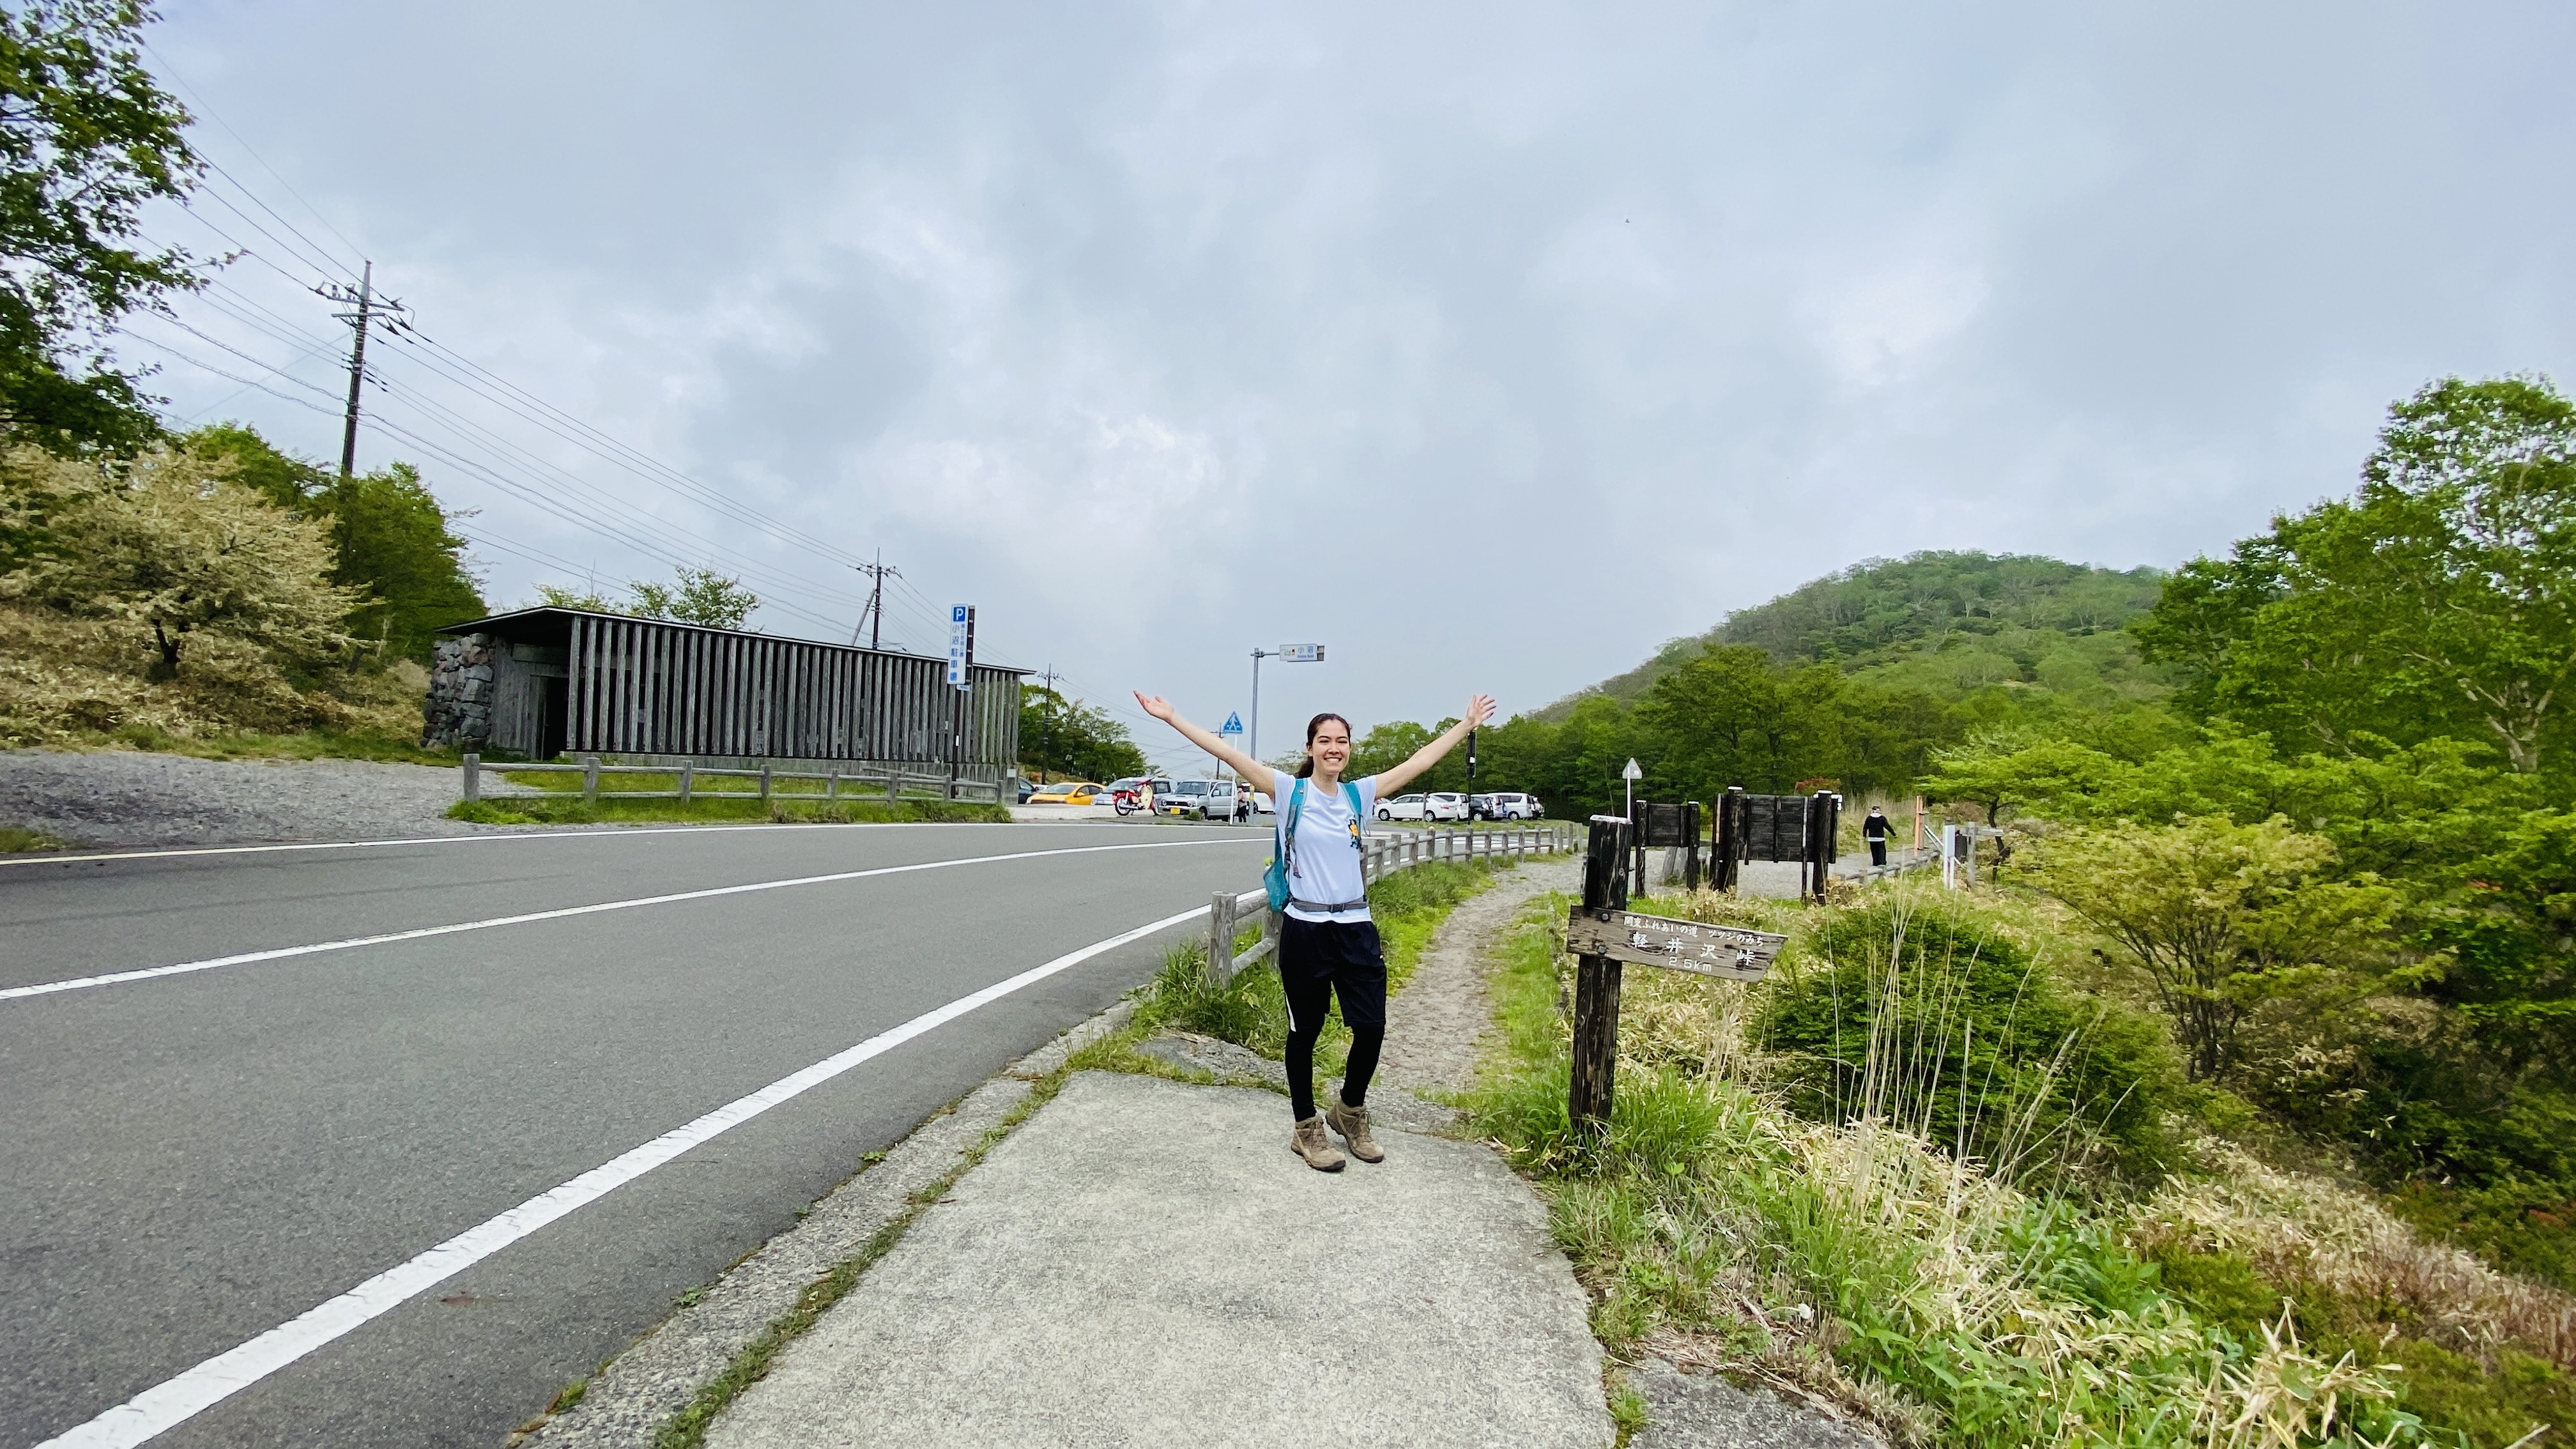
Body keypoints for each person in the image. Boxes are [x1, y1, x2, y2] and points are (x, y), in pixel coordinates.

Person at [1135, 689, 1494, 1171]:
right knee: (1304, 1031)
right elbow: (1228, 752)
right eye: (1324, 740)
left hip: (1355, 925)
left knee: (1371, 1027)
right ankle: (1306, 1128)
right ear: (1310, 748)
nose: (1333, 748)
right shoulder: (1289, 791)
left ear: (1349, 749)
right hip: (1306, 927)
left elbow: (1419, 762)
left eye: (1341, 741)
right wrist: (1173, 716)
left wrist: (1465, 725)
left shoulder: (1357, 794)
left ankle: (1349, 1110)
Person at [1862, 804, 1891, 868]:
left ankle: (1875, 862)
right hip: (1880, 838)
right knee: (1881, 850)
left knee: (1874, 850)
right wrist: (1894, 834)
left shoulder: (1869, 818)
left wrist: (1864, 835)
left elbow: (1865, 827)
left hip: (1872, 838)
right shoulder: (1882, 818)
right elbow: (1887, 826)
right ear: (1879, 811)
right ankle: (1882, 862)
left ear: (1872, 811)